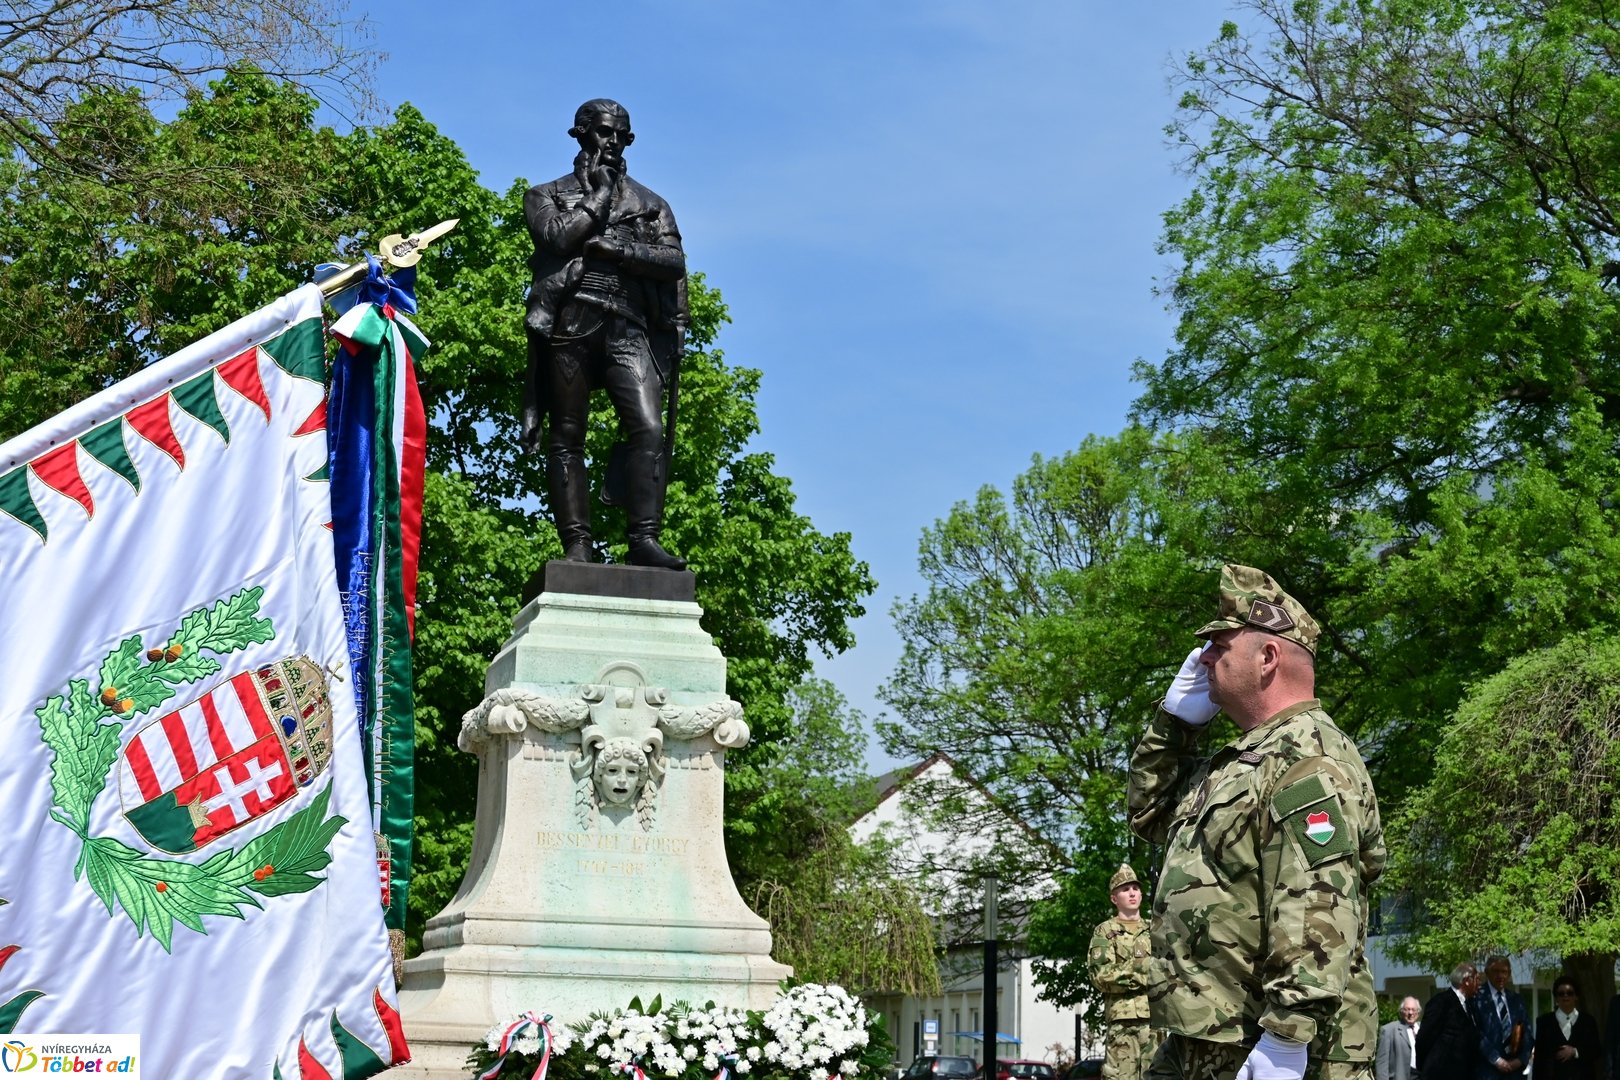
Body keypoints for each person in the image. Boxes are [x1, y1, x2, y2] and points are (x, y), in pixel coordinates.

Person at [1128, 564, 1385, 1080]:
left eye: (1220, 646)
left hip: (1271, 1045)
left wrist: (1286, 1039)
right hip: (1207, 1035)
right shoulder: (1242, 759)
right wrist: (1174, 723)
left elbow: (1318, 900)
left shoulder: (1308, 758)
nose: (1203, 658)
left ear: (1268, 657)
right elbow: (1148, 811)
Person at [522, 97, 689, 570]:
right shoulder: (546, 194)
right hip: (569, 322)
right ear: (580, 133)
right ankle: (578, 545)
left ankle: (644, 540)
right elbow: (557, 238)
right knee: (567, 435)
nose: (612, 141)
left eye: (620, 134)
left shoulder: (652, 204)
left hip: (629, 327)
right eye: (602, 132)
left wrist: (619, 252)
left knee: (648, 428)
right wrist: (597, 197)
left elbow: (674, 263)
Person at [1089, 863, 1158, 1080]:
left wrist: (1133, 970)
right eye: (1125, 889)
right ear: (1113, 898)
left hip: (1155, 1022)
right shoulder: (1105, 931)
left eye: (1135, 888)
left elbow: (1167, 970)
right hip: (1122, 1023)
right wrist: (1141, 971)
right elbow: (1100, 975)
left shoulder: (1154, 929)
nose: (1132, 893)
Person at [1468, 957, 1531, 1080]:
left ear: (1509, 973)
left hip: (1515, 1072)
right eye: (1496, 971)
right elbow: (1475, 1033)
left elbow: (1527, 1032)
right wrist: (1496, 1059)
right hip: (1487, 1071)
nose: (1500, 975)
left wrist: (1520, 1060)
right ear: (1486, 973)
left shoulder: (1516, 999)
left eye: (1504, 972)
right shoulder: (1475, 998)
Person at [1418, 964, 1482, 1080]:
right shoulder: (1441, 1002)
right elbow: (1424, 1038)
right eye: (1477, 979)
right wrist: (1426, 1069)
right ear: (1467, 981)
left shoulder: (1471, 1006)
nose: (1479, 984)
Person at [1532, 976, 1601, 1080]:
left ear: (1576, 996)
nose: (1565, 996)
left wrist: (1575, 1051)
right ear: (1556, 997)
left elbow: (1596, 1050)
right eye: (1561, 993)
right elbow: (1539, 1059)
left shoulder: (1588, 1021)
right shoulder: (1544, 1022)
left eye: (1570, 993)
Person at [1376, 998, 1421, 1080]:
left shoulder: (1425, 1028)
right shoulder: (1388, 1030)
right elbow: (1382, 1063)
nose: (1410, 1013)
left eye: (1413, 1009)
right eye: (1407, 1009)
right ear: (1401, 1011)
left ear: (1418, 1012)